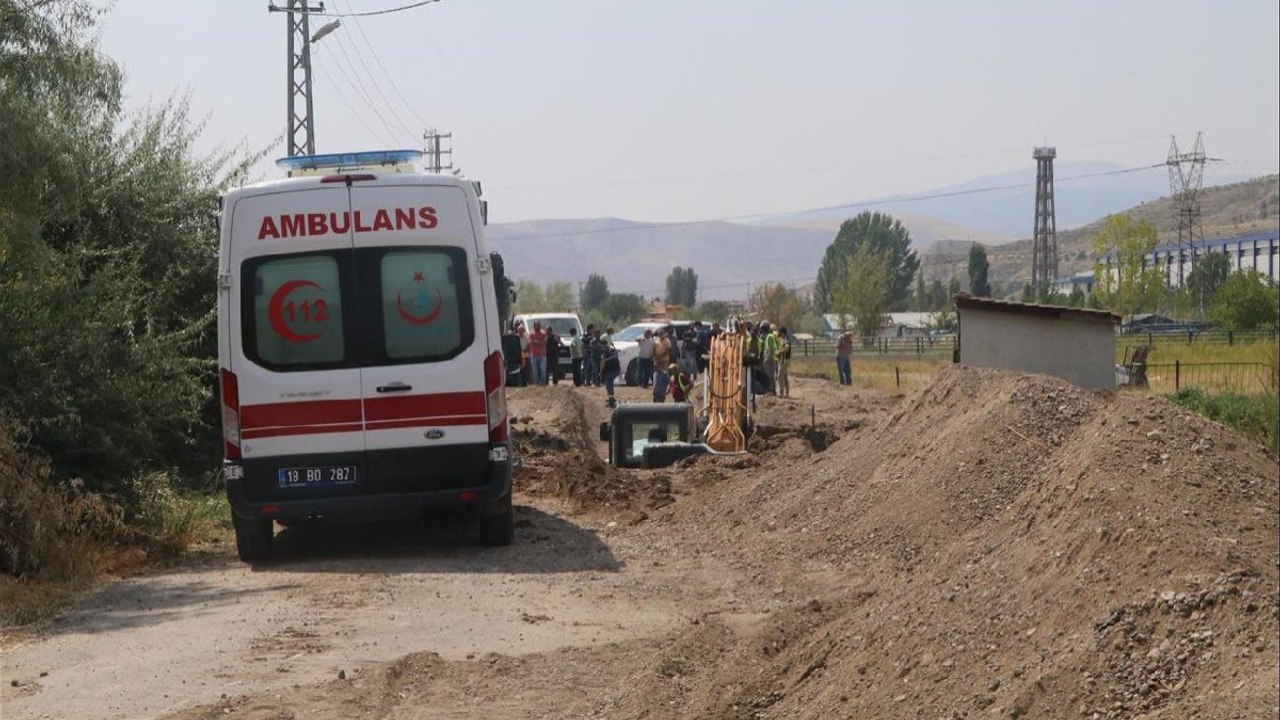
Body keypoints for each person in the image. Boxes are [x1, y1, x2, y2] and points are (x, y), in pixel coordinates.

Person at [652, 329, 672, 402]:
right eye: (659, 333)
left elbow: (668, 349)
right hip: (657, 360)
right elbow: (654, 349)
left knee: (663, 375)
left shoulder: (667, 341)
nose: (660, 335)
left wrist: (660, 356)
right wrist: (655, 356)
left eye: (661, 333)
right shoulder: (656, 340)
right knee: (657, 375)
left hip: (663, 360)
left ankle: (662, 392)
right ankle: (655, 392)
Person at [600, 338, 621, 407]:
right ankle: (610, 398)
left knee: (609, 385)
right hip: (616, 368)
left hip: (610, 370)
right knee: (609, 384)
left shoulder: (604, 351)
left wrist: (600, 371)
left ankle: (611, 400)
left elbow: (603, 362)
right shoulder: (612, 348)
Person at [761, 322, 779, 395]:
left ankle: (771, 390)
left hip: (770, 358)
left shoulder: (769, 336)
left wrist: (766, 359)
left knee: (769, 375)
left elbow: (770, 349)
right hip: (772, 358)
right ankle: (773, 390)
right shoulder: (771, 335)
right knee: (772, 375)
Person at [528, 321, 548, 386]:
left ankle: (543, 385)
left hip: (542, 355)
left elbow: (544, 343)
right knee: (535, 372)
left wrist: (536, 342)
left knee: (543, 371)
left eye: (539, 325)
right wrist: (539, 342)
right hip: (534, 355)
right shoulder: (531, 334)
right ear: (534, 326)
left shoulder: (544, 333)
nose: (538, 326)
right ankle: (537, 386)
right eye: (536, 325)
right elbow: (531, 344)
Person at [776, 326, 792, 398]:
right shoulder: (782, 339)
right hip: (784, 360)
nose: (778, 333)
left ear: (782, 332)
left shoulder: (785, 340)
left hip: (784, 361)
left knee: (780, 376)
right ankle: (787, 394)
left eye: (779, 331)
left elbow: (787, 348)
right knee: (784, 377)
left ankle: (781, 393)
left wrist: (779, 352)